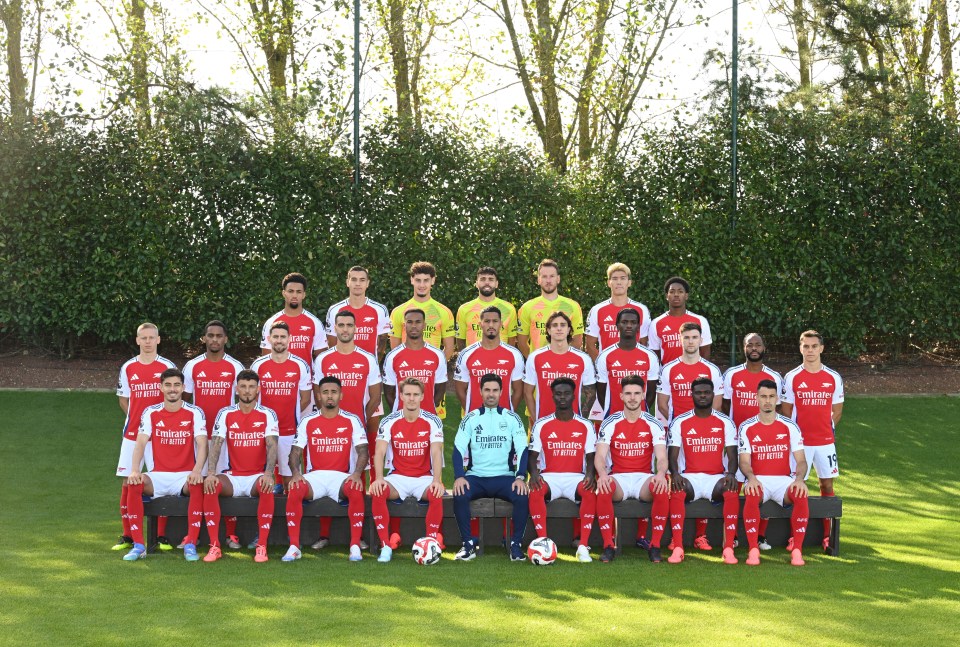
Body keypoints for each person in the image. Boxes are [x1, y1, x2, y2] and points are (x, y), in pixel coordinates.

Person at [121, 368, 208, 562]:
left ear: (183, 387)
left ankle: (191, 544)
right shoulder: (151, 412)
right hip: (158, 475)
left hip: (184, 475)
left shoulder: (194, 412)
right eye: (168, 385)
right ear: (161, 387)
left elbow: (202, 444)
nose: (172, 389)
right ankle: (139, 546)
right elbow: (140, 442)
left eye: (177, 385)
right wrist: (135, 470)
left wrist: (196, 470)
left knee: (197, 483)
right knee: (133, 482)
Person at [312, 310, 381, 549]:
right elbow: (316, 392)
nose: (344, 329)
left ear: (355, 328)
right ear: (335, 328)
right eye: (340, 325)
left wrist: (361, 418)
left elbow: (375, 394)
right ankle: (323, 534)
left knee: (357, 478)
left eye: (349, 325)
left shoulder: (367, 358)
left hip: (355, 429)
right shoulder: (323, 360)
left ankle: (358, 536)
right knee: (324, 475)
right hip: (329, 427)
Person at [284, 376, 369, 562]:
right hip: (315, 477)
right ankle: (294, 546)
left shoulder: (352, 420)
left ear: (341, 395)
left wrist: (356, 474)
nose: (330, 396)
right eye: (325, 392)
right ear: (318, 396)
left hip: (341, 477)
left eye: (334, 392)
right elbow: (294, 453)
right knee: (295, 487)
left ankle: (355, 545)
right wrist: (297, 474)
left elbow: (363, 452)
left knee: (356, 487)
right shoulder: (308, 421)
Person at [201, 369, 279, 563]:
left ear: (258, 389)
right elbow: (216, 444)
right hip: (232, 475)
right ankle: (215, 546)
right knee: (211, 485)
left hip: (256, 477)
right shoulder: (226, 413)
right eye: (243, 387)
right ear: (237, 389)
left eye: (251, 387)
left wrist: (269, 474)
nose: (247, 391)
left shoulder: (267, 414)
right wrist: (210, 473)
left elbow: (272, 445)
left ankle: (262, 546)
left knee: (266, 486)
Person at [657, 321, 723, 550]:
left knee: (705, 476)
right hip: (678, 436)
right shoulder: (669, 369)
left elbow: (717, 405)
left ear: (700, 340)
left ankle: (701, 535)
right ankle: (676, 537)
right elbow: (662, 403)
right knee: (676, 481)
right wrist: (679, 423)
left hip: (705, 437)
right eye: (686, 338)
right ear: (680, 340)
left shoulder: (711, 370)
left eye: (695, 337)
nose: (691, 342)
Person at [113, 323, 177, 552]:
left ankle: (161, 536)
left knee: (163, 481)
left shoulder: (167, 366)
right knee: (128, 481)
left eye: (152, 338)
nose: (148, 341)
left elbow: (174, 397)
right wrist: (140, 424)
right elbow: (124, 401)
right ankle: (128, 535)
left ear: (158, 340)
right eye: (144, 338)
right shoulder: (128, 367)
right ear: (137, 340)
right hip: (133, 435)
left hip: (162, 435)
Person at [452, 374, 530, 561]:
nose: (491, 394)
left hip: (504, 477)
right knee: (460, 493)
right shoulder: (470, 418)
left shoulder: (512, 418)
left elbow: (522, 448)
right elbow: (457, 449)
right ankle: (468, 544)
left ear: (502, 392)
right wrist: (459, 476)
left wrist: (520, 476)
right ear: (480, 392)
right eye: (487, 390)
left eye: (495, 390)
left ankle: (515, 545)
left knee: (522, 495)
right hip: (476, 477)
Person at [183, 320, 246, 548]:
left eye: (219, 335)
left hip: (226, 439)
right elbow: (185, 402)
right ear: (204, 339)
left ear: (226, 339)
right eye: (211, 335)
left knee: (224, 486)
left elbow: (243, 403)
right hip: (199, 438)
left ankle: (230, 534)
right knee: (197, 485)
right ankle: (194, 535)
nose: (215, 339)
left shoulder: (236, 367)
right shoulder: (192, 366)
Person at [594, 375, 670, 563]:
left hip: (643, 478)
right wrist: (602, 474)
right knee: (604, 486)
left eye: (637, 393)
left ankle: (655, 545)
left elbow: (661, 457)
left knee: (661, 486)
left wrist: (660, 474)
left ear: (644, 395)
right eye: (628, 393)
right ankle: (608, 545)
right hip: (619, 478)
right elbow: (600, 456)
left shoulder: (654, 423)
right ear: (621, 396)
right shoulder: (610, 422)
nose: (633, 398)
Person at [780, 330, 844, 554]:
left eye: (814, 346)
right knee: (797, 488)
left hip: (825, 443)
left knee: (827, 486)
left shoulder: (833, 377)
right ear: (800, 348)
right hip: (801, 446)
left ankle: (827, 536)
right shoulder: (792, 377)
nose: (810, 350)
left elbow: (836, 412)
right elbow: (787, 413)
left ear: (821, 348)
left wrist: (826, 431)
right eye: (806, 346)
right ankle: (793, 536)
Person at [370, 378, 446, 562]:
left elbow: (436, 453)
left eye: (415, 395)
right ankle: (385, 545)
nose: (411, 398)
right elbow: (379, 452)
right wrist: (379, 478)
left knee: (437, 493)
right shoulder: (389, 421)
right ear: (401, 396)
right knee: (378, 491)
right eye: (408, 394)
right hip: (398, 478)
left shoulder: (433, 421)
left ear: (422, 397)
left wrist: (437, 480)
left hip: (424, 478)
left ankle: (431, 543)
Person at [666, 377, 739, 564]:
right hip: (689, 478)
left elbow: (732, 455)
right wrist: (675, 474)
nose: (703, 396)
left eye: (707, 392)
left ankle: (728, 547)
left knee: (731, 489)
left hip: (715, 479)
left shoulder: (725, 422)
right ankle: (678, 546)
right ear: (692, 395)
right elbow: (672, 456)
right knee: (677, 488)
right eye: (698, 393)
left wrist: (731, 474)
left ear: (713, 395)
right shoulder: (680, 421)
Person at [721, 332, 783, 550]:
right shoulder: (732, 375)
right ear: (744, 348)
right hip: (737, 443)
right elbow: (725, 407)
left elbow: (780, 409)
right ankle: (734, 535)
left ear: (764, 347)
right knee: (733, 488)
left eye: (758, 344)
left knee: (763, 486)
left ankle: (760, 536)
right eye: (750, 345)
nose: (754, 348)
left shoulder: (775, 377)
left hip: (765, 443)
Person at [738, 379, 810, 566]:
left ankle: (797, 551)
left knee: (800, 493)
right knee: (752, 493)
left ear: (777, 398)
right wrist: (751, 478)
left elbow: (801, 461)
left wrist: (799, 479)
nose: (767, 401)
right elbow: (744, 462)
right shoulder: (747, 427)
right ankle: (753, 549)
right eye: (763, 397)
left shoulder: (790, 426)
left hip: (783, 481)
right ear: (757, 398)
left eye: (771, 396)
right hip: (759, 479)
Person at [528, 378, 599, 563]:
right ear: (552, 396)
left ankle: (583, 546)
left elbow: (591, 456)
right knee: (535, 490)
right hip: (549, 477)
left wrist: (590, 475)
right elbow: (532, 456)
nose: (562, 398)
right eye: (558, 394)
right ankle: (543, 541)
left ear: (574, 396)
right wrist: (534, 474)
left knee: (590, 491)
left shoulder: (586, 425)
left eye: (566, 394)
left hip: (575, 478)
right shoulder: (541, 424)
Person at [250, 322, 312, 486]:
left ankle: (288, 511)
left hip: (289, 431)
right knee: (259, 477)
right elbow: (251, 397)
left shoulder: (300, 365)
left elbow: (305, 398)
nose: (279, 340)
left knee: (289, 479)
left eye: (283, 337)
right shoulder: (258, 365)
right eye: (275, 337)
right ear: (269, 339)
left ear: (289, 339)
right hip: (262, 431)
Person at [523, 311, 596, 422]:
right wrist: (537, 420)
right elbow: (527, 392)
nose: (559, 328)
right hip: (544, 422)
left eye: (563, 325)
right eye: (554, 325)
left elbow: (591, 394)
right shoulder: (535, 357)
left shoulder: (583, 359)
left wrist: (580, 419)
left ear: (568, 330)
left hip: (573, 423)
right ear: (548, 330)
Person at [454, 306, 525, 412]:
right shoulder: (466, 354)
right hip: (476, 420)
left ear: (501, 324)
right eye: (487, 321)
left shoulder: (514, 354)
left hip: (503, 421)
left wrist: (508, 414)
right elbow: (460, 390)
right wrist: (472, 413)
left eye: (495, 321)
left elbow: (519, 391)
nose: (491, 325)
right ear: (480, 324)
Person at [596, 308, 660, 417]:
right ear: (617, 326)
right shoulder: (605, 356)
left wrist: (637, 414)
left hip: (641, 418)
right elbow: (600, 392)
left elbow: (651, 393)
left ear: (638, 327)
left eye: (633, 322)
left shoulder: (650, 356)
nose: (629, 325)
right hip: (613, 417)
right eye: (624, 322)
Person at [383, 308, 447, 415]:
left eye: (418, 322)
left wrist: (427, 412)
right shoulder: (392, 356)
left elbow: (440, 388)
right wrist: (399, 413)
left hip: (429, 418)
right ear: (404, 326)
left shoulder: (437, 355)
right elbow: (389, 392)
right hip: (401, 418)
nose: (414, 326)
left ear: (424, 325)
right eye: (409, 322)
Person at [389, 261, 455, 361]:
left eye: (426, 280)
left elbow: (449, 349)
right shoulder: (398, 311)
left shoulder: (444, 312)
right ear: (412, 280)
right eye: (418, 280)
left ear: (433, 280)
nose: (422, 285)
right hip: (406, 370)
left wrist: (436, 367)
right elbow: (395, 350)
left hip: (432, 371)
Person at [516, 259, 584, 355]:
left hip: (564, 364)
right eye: (544, 277)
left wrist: (565, 359)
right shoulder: (527, 307)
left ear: (558, 279)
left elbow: (577, 340)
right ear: (538, 280)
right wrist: (535, 361)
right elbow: (522, 343)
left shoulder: (573, 306)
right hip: (537, 367)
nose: (548, 280)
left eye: (552, 276)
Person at [585, 262, 651, 360]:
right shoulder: (597, 310)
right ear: (608, 283)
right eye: (615, 279)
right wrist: (601, 365)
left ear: (629, 283)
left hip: (634, 365)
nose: (619, 282)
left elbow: (644, 342)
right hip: (608, 369)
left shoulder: (642, 309)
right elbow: (590, 345)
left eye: (623, 278)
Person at [260, 272, 327, 366]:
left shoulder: (315, 322)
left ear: (304, 294)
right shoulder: (271, 323)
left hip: (306, 379)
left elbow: (322, 358)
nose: (294, 295)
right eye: (290, 291)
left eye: (298, 292)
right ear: (284, 293)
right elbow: (266, 358)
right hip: (279, 379)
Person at [325, 265, 391, 359]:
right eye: (354, 279)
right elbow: (331, 343)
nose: (358, 283)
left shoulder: (380, 310)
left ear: (367, 283)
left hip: (369, 369)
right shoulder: (334, 310)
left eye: (362, 280)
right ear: (348, 282)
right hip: (342, 367)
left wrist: (372, 364)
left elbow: (382, 343)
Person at [649, 277, 712, 365]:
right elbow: (655, 354)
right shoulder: (656, 323)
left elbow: (705, 352)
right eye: (672, 291)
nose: (676, 294)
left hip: (695, 374)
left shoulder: (700, 321)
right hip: (668, 375)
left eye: (680, 291)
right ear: (667, 296)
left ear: (686, 296)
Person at [455, 266, 517, 350]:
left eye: (491, 279)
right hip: (474, 360)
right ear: (477, 284)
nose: (487, 282)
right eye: (483, 279)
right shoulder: (464, 309)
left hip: (501, 360)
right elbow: (460, 340)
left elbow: (511, 340)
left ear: (496, 284)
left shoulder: (509, 308)